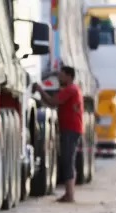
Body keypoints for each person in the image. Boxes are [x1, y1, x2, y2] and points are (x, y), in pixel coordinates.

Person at [32, 65, 84, 203]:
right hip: (71, 129)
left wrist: (40, 90)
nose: (59, 78)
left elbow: (53, 102)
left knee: (68, 160)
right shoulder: (72, 89)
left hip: (71, 129)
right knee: (68, 160)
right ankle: (69, 193)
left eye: (61, 75)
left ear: (69, 76)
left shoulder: (71, 90)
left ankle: (70, 194)